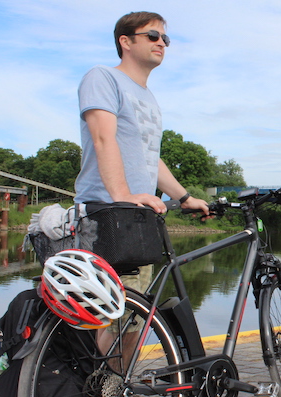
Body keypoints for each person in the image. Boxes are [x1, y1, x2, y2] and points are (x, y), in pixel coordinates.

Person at [73, 11, 208, 374]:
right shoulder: (103, 78)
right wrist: (123, 194)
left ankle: (113, 387)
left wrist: (183, 197)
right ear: (126, 41)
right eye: (152, 35)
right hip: (106, 212)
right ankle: (90, 388)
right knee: (108, 316)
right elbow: (103, 137)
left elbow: (151, 158)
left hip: (137, 216)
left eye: (165, 38)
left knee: (134, 317)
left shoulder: (149, 98)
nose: (162, 42)